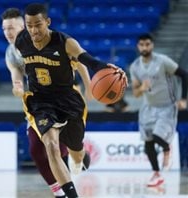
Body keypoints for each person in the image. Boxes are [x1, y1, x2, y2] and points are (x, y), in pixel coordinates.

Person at [14, 3, 127, 198]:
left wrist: (108, 70)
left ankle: (80, 154)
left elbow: (89, 61)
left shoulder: (64, 42)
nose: (33, 30)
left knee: (76, 152)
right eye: (29, 25)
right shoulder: (21, 41)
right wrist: (17, 81)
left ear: (48, 22)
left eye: (38, 25)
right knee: (51, 145)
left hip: (67, 100)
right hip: (40, 101)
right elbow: (17, 66)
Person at [1, 8, 92, 198]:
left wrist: (88, 85)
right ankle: (60, 190)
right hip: (39, 100)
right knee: (37, 147)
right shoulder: (11, 52)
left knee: (67, 144)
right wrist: (17, 86)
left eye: (11, 27)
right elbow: (16, 72)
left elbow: (80, 59)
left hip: (66, 96)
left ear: (23, 26)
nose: (7, 32)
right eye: (4, 29)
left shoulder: (51, 40)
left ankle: (79, 154)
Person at [129, 33, 187, 187]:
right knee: (147, 142)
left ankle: (167, 148)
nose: (145, 47)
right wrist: (141, 88)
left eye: (147, 44)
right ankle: (156, 174)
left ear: (152, 45)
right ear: (138, 46)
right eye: (142, 44)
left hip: (167, 106)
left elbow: (184, 75)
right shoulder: (135, 66)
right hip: (148, 108)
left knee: (157, 137)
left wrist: (183, 99)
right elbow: (135, 94)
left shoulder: (162, 61)